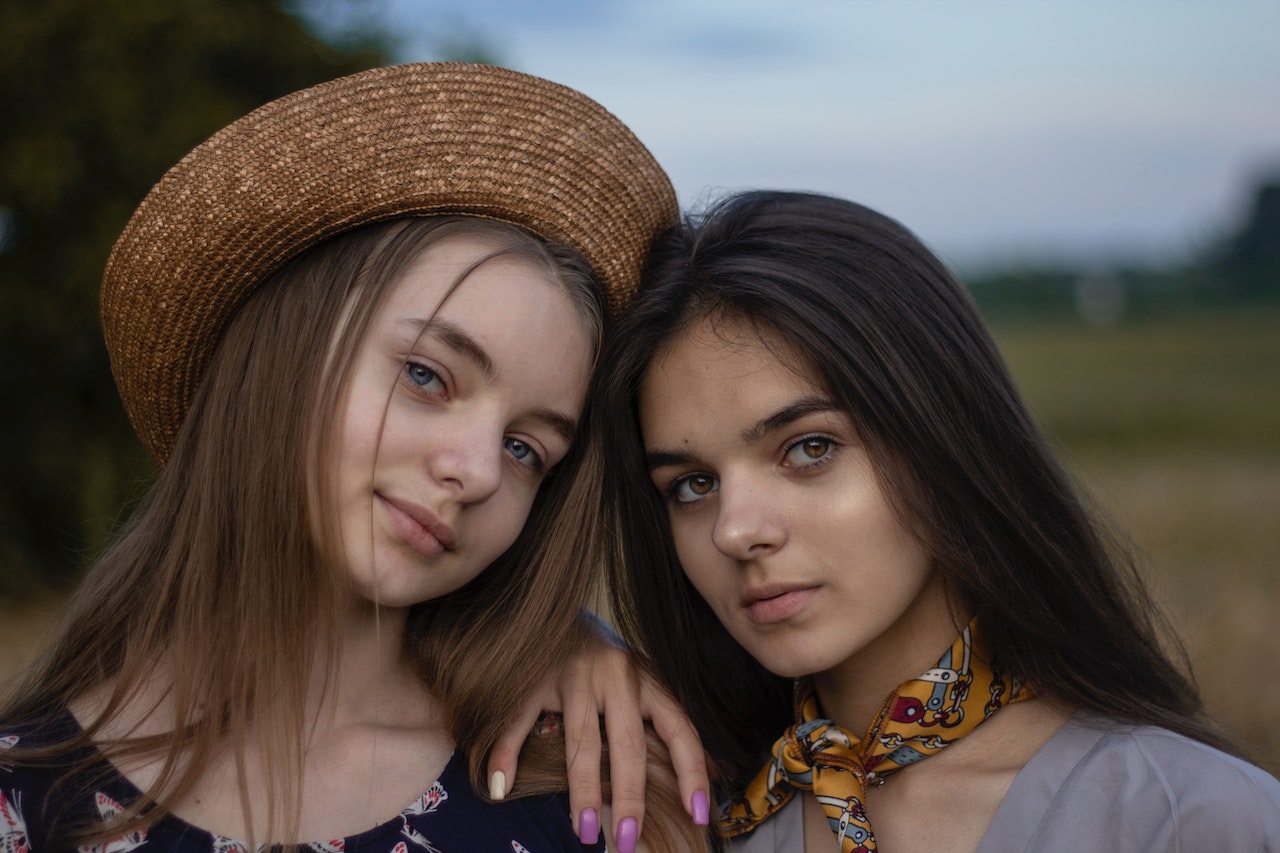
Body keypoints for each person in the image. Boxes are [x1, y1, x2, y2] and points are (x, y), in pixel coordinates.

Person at [0, 63, 707, 853]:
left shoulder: (589, 792)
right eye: (427, 375)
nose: (476, 472)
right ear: (285, 352)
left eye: (525, 448)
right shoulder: (26, 801)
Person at [598, 189, 1280, 851]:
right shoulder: (672, 814)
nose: (736, 530)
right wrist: (559, 648)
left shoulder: (1190, 819)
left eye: (810, 448)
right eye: (691, 485)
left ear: (942, 436)